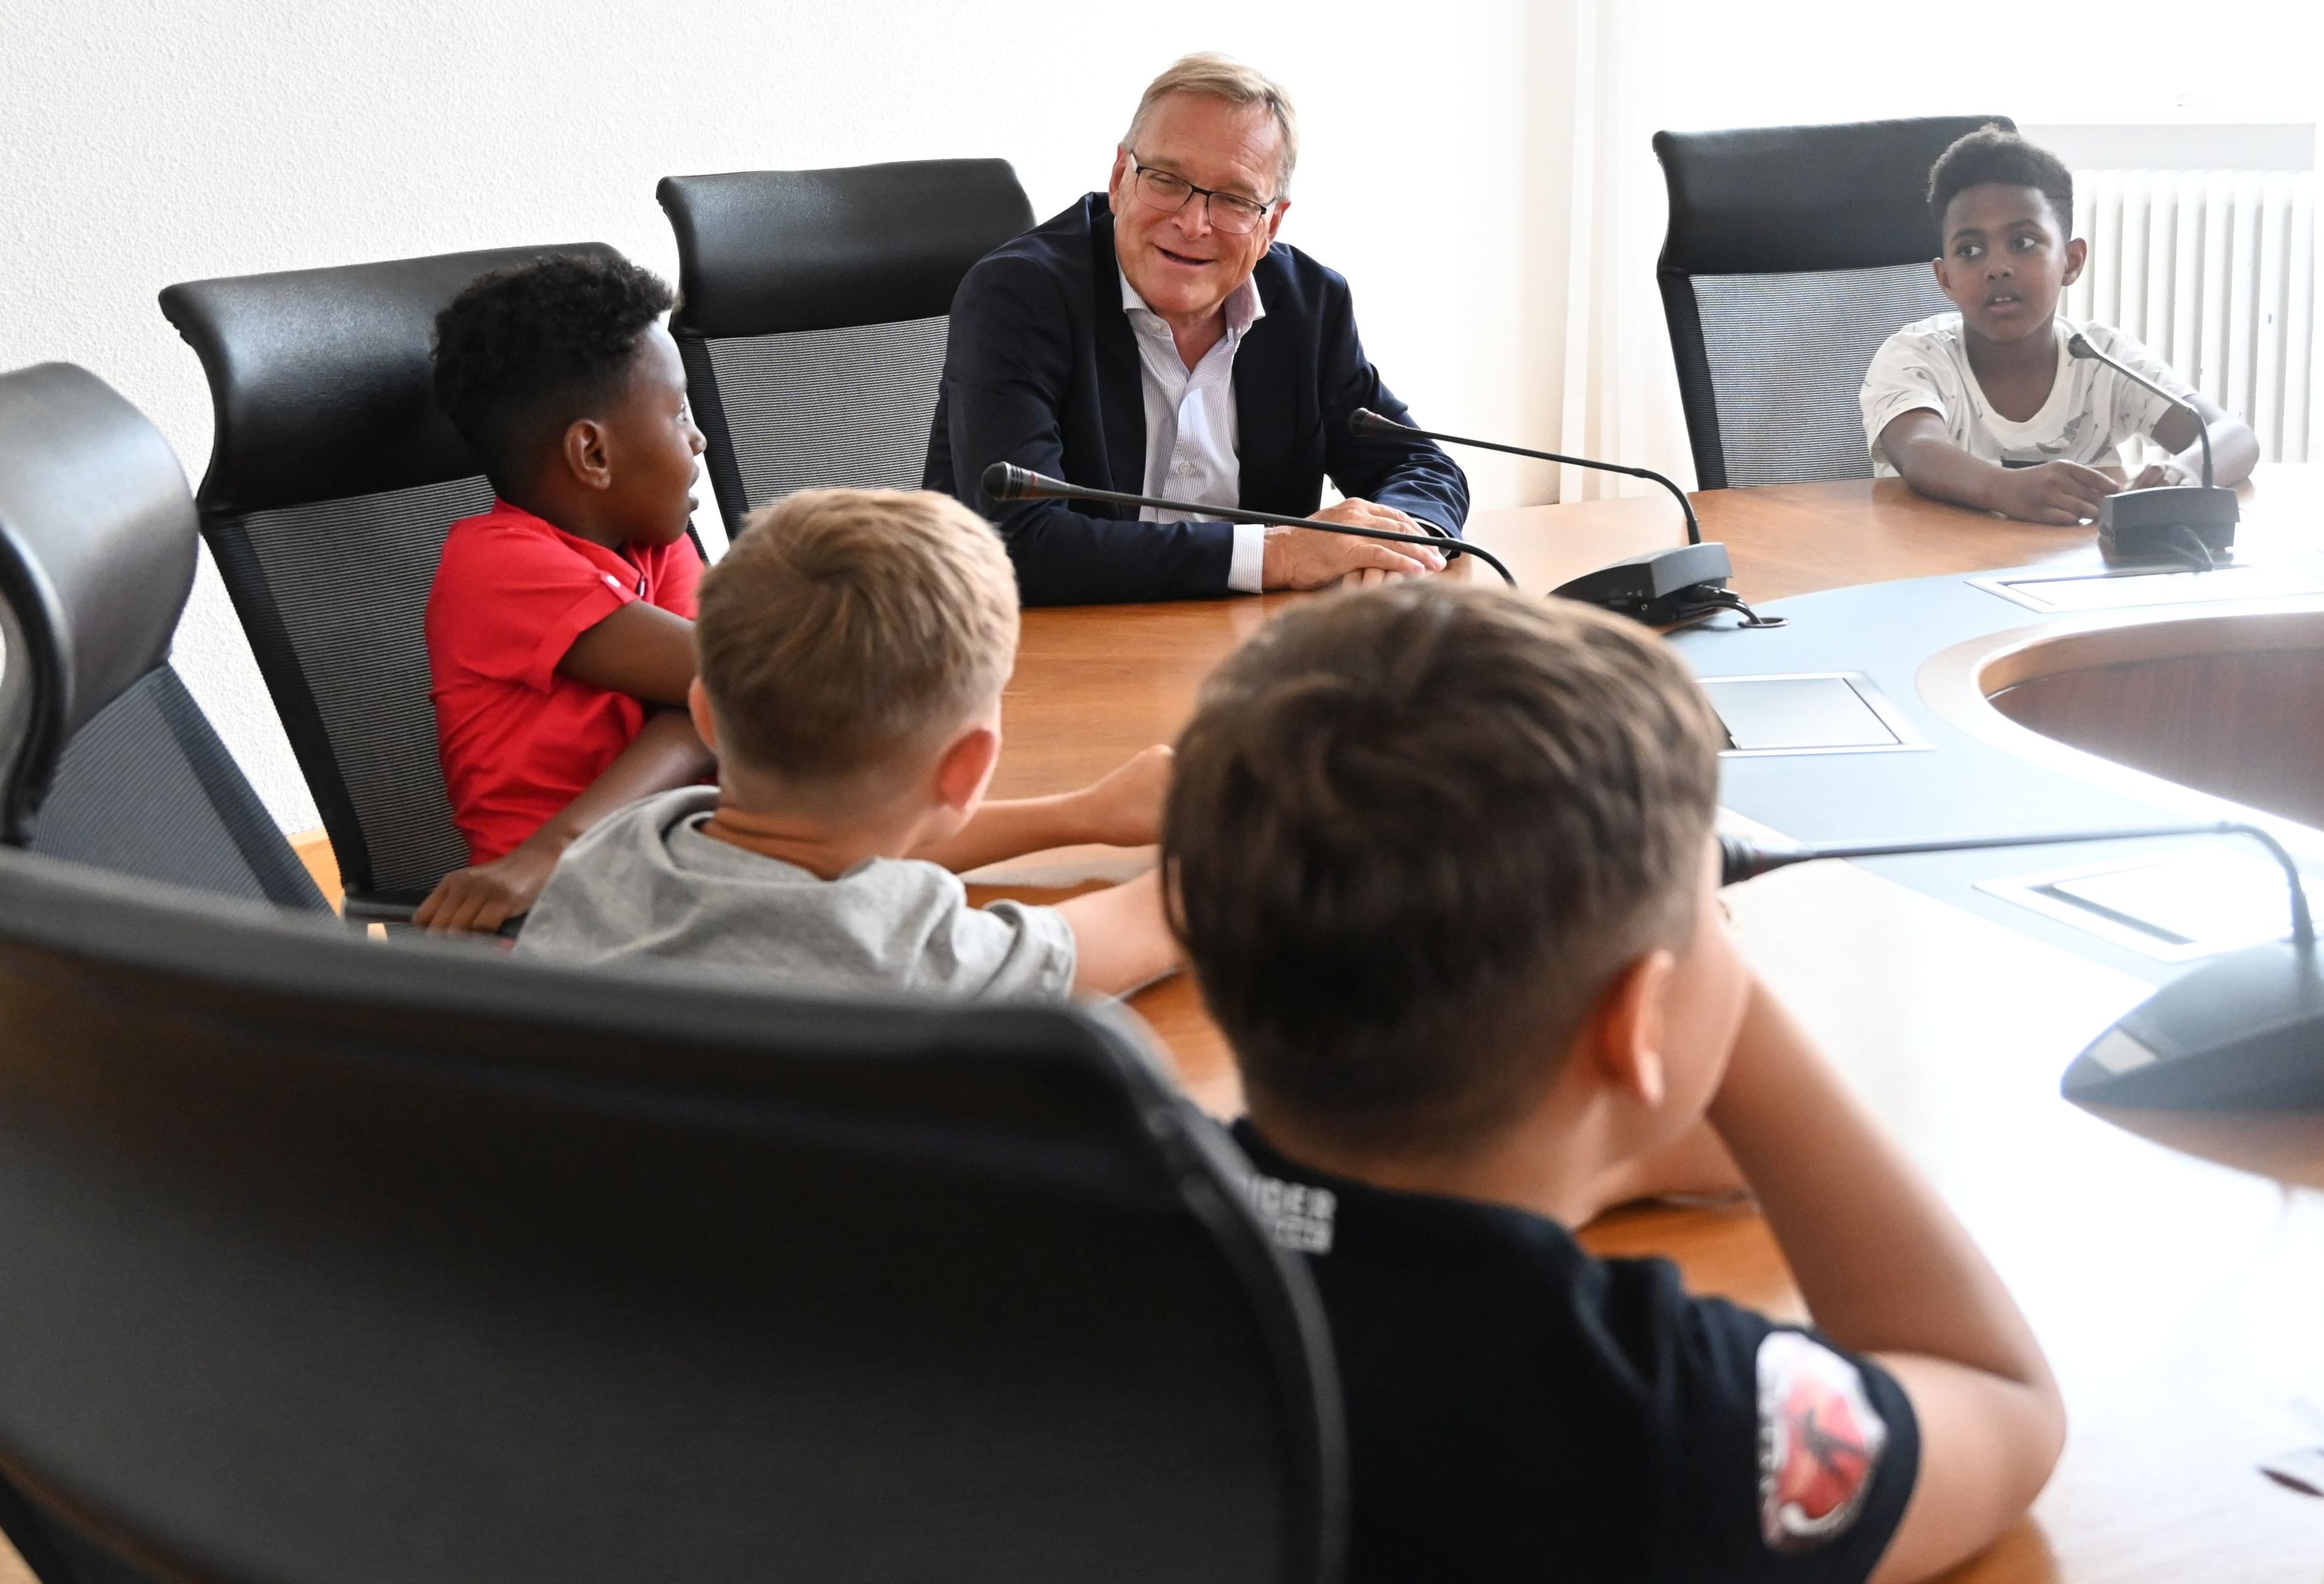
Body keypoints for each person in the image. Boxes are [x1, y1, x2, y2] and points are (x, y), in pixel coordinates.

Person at [1161, 583, 2065, 1583]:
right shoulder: (1661, 1418)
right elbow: (1997, 1396)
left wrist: (1613, 1110)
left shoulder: (1092, 1249)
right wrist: (1723, 996)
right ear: (1634, 1022)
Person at [422, 255, 1169, 935]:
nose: (698, 439)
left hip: (703, 856)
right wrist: (554, 850)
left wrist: (593, 816)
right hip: (561, 915)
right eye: (679, 412)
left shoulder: (661, 547)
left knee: (869, 830)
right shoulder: (496, 564)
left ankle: (1095, 814)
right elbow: (745, 685)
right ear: (593, 453)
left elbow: (725, 694)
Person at [517, 487, 1179, 1000]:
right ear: (970, 765)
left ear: (705, 715)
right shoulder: (914, 957)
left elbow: (842, 836)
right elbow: (1171, 913)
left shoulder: (616, 854)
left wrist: (1081, 814)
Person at [924, 52, 1469, 605]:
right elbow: (1020, 544)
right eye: (1166, 180)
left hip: (1246, 654)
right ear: (1119, 180)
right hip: (1052, 659)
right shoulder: (1019, 297)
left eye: (1233, 199)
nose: (1192, 222)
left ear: (1270, 225)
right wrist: (1280, 554)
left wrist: (1399, 543)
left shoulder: (1309, 306)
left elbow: (1421, 466)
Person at [1863, 125, 2257, 524]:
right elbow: (1917, 449)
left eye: (2023, 242)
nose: (1997, 267)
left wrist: (2183, 476)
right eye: (1970, 250)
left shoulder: (2102, 358)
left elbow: (2234, 437)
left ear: (2071, 262)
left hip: (2078, 574)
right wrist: (2006, 489)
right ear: (1945, 278)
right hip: (1935, 570)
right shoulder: (1917, 356)